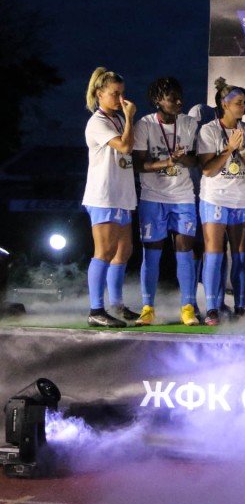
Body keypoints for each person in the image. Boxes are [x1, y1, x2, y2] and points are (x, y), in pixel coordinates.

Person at [132, 77, 200, 325]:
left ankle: (188, 308)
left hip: (183, 197)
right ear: (157, 100)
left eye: (180, 97)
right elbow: (138, 164)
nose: (179, 102)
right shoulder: (145, 125)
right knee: (152, 254)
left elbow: (196, 160)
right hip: (153, 197)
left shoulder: (189, 123)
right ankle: (148, 308)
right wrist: (167, 162)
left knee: (185, 251)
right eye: (172, 98)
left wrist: (181, 159)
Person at [197, 79, 245, 322]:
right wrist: (229, 148)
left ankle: (240, 307)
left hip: (242, 199)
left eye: (244, 103)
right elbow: (207, 169)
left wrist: (242, 150)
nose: (244, 107)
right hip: (215, 198)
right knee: (214, 253)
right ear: (224, 104)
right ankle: (212, 308)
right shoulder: (209, 130)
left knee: (241, 255)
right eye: (238, 103)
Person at [82, 67, 138, 327]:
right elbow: (125, 146)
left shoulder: (117, 119)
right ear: (99, 94)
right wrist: (130, 117)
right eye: (115, 93)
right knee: (104, 251)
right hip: (104, 195)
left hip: (122, 194)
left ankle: (116, 305)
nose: (120, 98)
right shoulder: (98, 122)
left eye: (122, 93)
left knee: (124, 251)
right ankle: (96, 310)